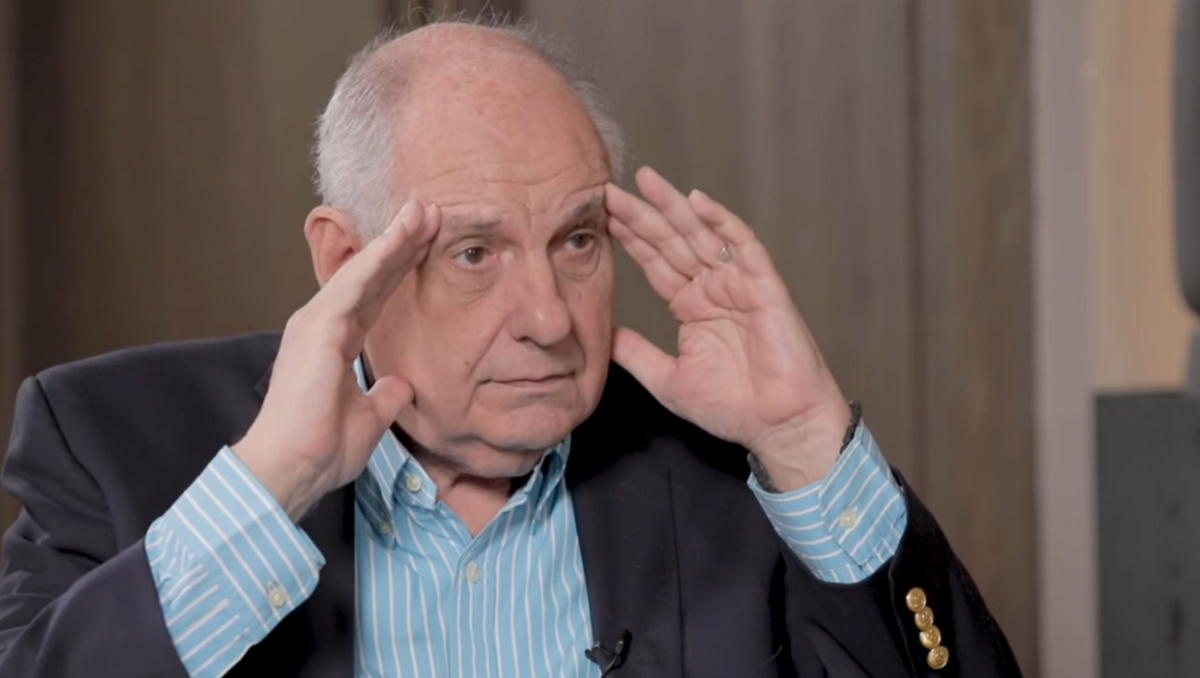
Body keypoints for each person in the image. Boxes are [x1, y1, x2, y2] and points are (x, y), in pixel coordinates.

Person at [0, 19, 1018, 678]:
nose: (549, 318)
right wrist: (269, 490)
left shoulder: (733, 477)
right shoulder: (106, 441)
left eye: (576, 241)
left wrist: (804, 445)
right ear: (346, 260)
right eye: (475, 252)